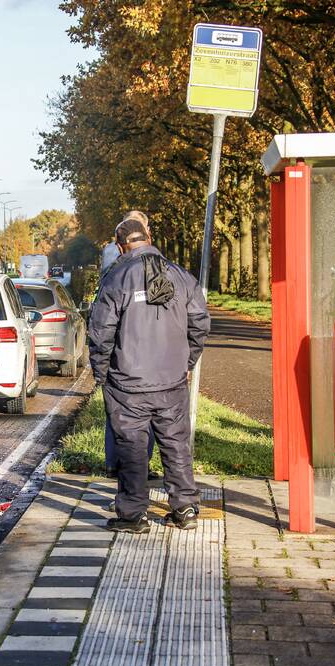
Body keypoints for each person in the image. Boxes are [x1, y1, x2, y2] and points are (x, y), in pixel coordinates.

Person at [88, 218, 210, 533]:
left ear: (119, 246)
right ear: (149, 237)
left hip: (128, 383)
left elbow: (100, 332)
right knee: (176, 444)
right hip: (171, 379)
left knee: (131, 446)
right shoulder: (182, 276)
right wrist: (187, 362)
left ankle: (133, 515)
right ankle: (185, 508)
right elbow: (200, 322)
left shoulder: (115, 279)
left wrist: (101, 373)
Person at [100, 211, 155, 479]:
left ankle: (132, 473)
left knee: (129, 419)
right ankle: (125, 468)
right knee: (127, 420)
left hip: (136, 358)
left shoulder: (119, 268)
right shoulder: (120, 268)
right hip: (135, 357)